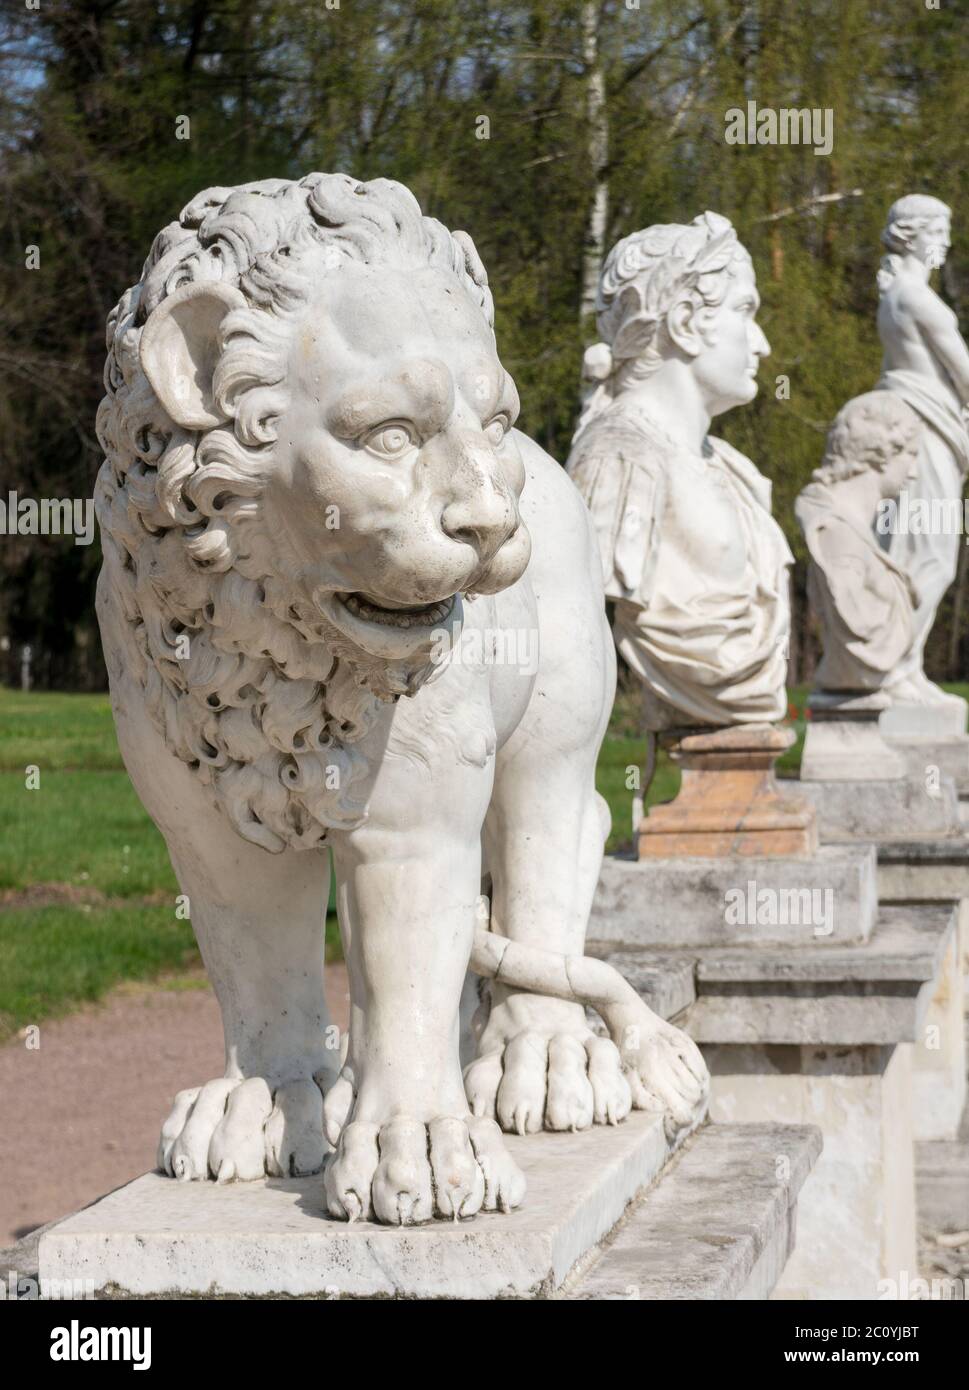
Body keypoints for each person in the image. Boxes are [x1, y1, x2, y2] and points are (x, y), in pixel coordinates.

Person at [566, 212, 791, 731]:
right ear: (686, 322)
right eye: (745, 311)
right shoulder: (618, 460)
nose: (761, 344)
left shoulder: (730, 468)